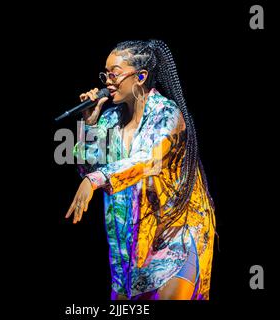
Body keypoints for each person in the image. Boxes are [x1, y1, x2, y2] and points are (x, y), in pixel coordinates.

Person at [65, 40, 216, 300]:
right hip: (131, 245)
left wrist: (94, 180)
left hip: (174, 232)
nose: (107, 81)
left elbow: (148, 160)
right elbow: (87, 166)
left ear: (141, 76)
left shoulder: (167, 114)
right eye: (105, 74)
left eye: (114, 73)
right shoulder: (111, 119)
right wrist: (89, 124)